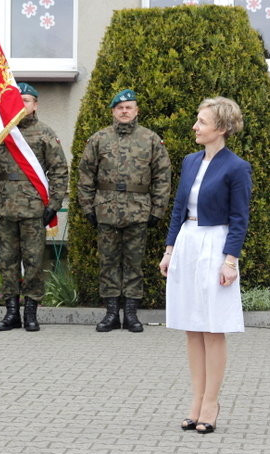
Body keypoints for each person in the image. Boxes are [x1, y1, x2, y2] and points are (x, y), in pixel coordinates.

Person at [158, 96, 252, 434]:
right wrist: (169, 250)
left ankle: (211, 403)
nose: (195, 127)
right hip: (188, 242)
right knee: (192, 326)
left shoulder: (237, 167)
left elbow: (240, 218)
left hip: (216, 245)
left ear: (222, 128)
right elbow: (178, 207)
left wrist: (230, 261)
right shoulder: (189, 161)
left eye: (202, 122)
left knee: (213, 328)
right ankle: (195, 401)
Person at [0, 82, 68, 332]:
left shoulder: (45, 132)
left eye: (27, 100)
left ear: (35, 105)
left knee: (34, 261)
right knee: (7, 262)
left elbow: (59, 170)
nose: (22, 104)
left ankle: (31, 313)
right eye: (19, 100)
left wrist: (55, 204)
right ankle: (11, 312)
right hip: (5, 206)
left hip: (34, 209)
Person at [78, 89, 171, 333]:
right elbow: (85, 175)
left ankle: (130, 314)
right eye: (120, 108)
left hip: (138, 210)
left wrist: (157, 210)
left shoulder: (151, 139)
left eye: (129, 107)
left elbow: (162, 176)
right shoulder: (99, 139)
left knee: (134, 263)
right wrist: (88, 206)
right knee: (108, 262)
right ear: (113, 111)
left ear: (137, 110)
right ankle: (111, 314)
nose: (124, 111)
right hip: (106, 209)